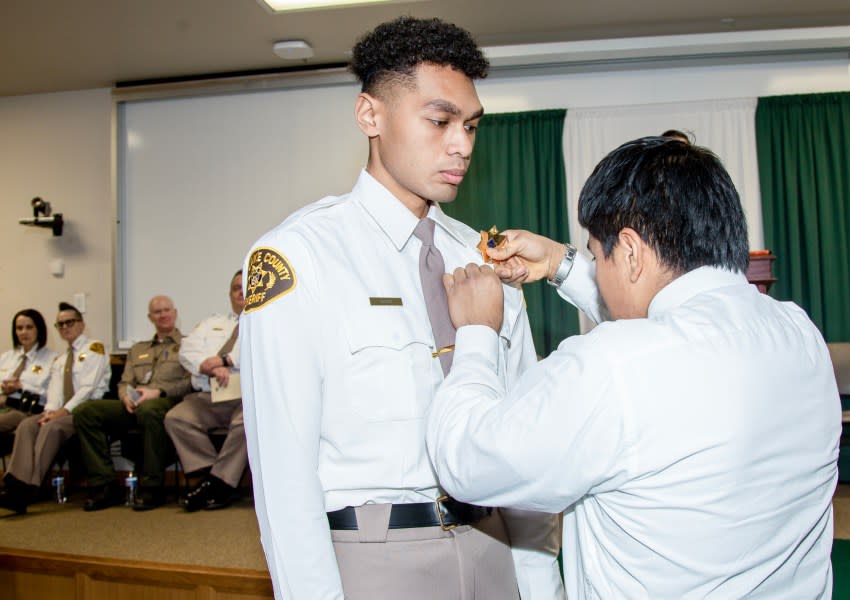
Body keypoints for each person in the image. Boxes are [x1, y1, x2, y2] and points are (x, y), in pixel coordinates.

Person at [426, 136, 842, 598]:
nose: (598, 269)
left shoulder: (612, 365)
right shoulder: (800, 333)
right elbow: (668, 329)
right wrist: (562, 264)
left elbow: (467, 463)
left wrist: (478, 332)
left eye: (597, 254)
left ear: (628, 251)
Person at [240, 16, 563, 600]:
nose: (462, 143)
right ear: (371, 115)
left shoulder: (487, 256)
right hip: (376, 559)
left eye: (470, 125)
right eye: (440, 121)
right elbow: (284, 477)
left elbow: (521, 441)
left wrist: (543, 587)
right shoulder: (300, 256)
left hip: (495, 548)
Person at [74, 295, 191, 511]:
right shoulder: (138, 349)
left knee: (149, 409)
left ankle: (152, 486)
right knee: (85, 411)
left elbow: (190, 383)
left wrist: (158, 391)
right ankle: (104, 484)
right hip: (135, 404)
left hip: (168, 401)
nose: (163, 314)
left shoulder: (189, 344)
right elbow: (125, 381)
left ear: (175, 313)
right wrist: (125, 396)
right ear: (150, 317)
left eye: (167, 310)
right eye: (157, 312)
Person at [0, 302, 110, 514]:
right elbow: (54, 391)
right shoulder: (61, 359)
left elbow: (88, 388)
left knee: (52, 428)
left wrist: (63, 411)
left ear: (81, 324)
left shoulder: (95, 348)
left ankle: (29, 488)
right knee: (28, 425)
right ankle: (17, 484)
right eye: (60, 324)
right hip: (60, 411)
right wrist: (49, 412)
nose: (65, 327)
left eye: (70, 322)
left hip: (85, 410)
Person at [165, 271, 246, 511]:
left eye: (246, 286)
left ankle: (219, 484)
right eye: (236, 288)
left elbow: (261, 354)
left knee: (249, 423)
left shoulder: (265, 323)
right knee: (176, 418)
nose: (241, 291)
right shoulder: (212, 323)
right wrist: (205, 365)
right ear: (229, 294)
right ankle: (212, 479)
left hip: (244, 399)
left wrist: (227, 361)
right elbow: (186, 351)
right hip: (208, 396)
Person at [0, 309, 58, 434]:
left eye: (29, 327)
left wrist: (21, 387)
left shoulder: (52, 360)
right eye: (19, 328)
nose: (23, 332)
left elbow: (52, 396)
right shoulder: (6, 357)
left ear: (39, 329)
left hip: (25, 410)